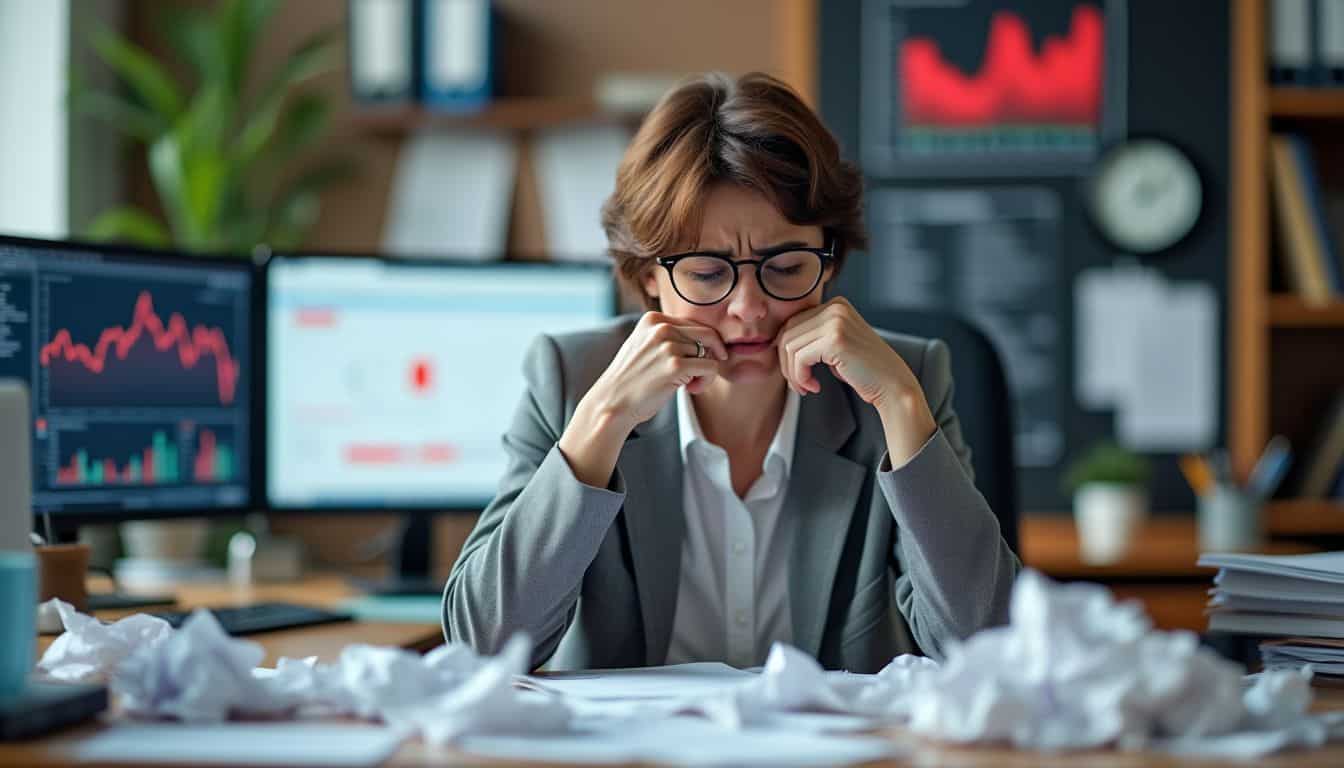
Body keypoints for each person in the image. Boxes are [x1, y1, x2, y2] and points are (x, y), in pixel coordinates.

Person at [443, 72, 1020, 672]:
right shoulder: (569, 378)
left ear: (830, 265)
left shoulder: (907, 380)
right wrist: (603, 423)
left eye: (786, 265)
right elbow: (481, 647)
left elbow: (988, 650)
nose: (749, 308)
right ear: (648, 278)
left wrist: (902, 405)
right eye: (708, 272)